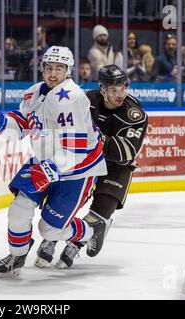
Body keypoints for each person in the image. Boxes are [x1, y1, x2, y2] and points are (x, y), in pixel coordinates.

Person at [0, 46, 108, 278]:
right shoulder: (35, 92)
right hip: (45, 160)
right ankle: (17, 255)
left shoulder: (70, 97)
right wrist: (2, 122)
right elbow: (24, 121)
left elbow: (76, 149)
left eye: (58, 69)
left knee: (49, 229)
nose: (52, 73)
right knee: (19, 209)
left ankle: (91, 231)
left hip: (78, 170)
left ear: (68, 71)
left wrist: (50, 169)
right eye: (48, 68)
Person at [35, 65, 148, 269]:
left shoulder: (135, 114)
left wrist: (94, 138)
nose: (119, 94)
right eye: (113, 90)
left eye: (123, 88)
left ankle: (76, 244)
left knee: (101, 212)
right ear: (102, 89)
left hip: (117, 167)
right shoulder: (84, 100)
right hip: (85, 160)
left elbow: (126, 152)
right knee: (69, 203)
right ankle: (51, 238)